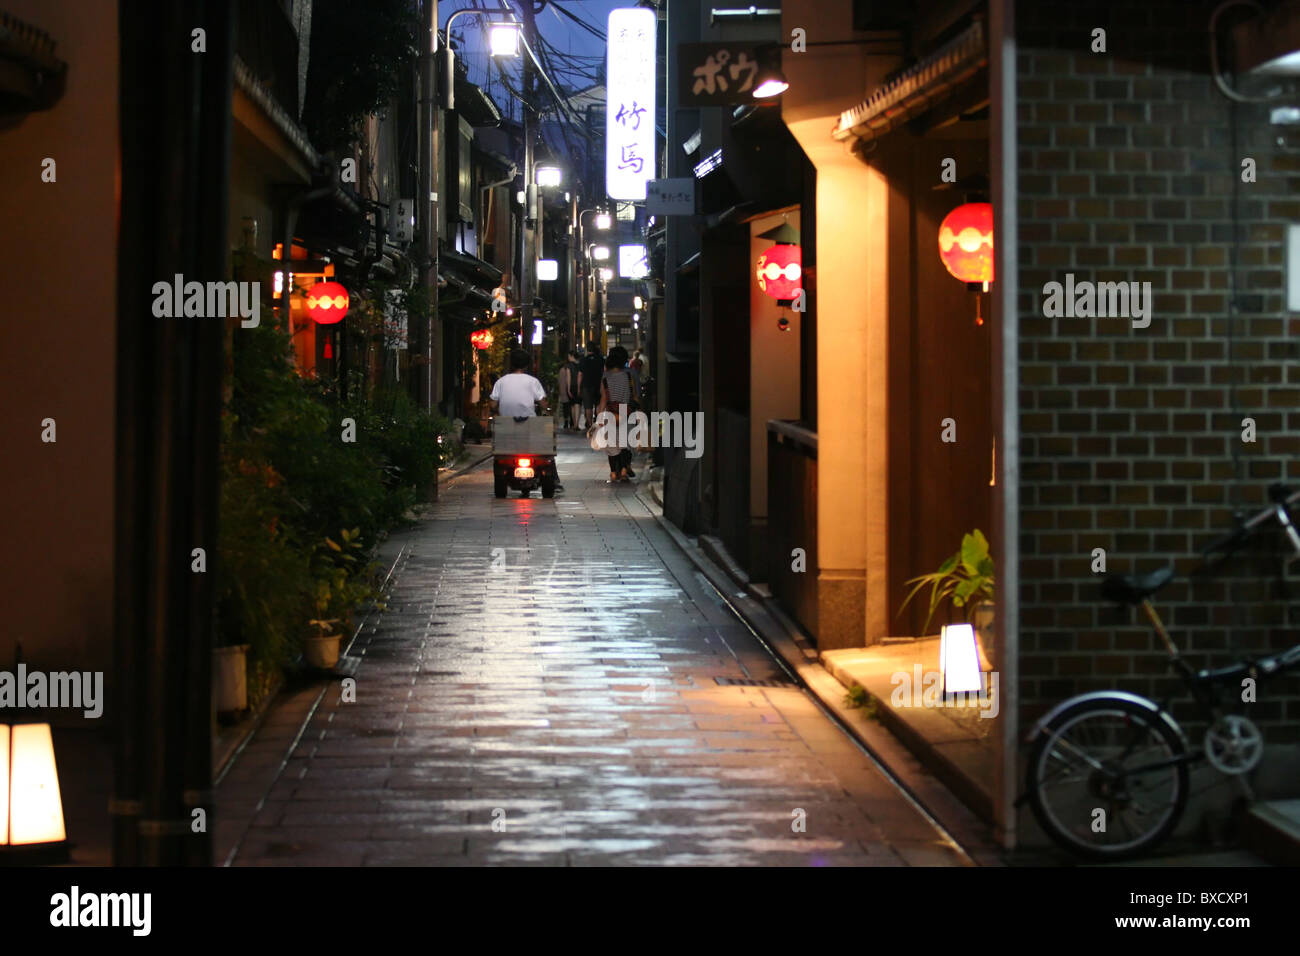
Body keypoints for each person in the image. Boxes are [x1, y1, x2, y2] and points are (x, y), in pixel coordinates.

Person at [490, 350, 563, 490]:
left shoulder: (501, 382)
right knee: (547, 454)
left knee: (499, 462)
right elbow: (543, 404)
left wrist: (497, 409)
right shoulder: (532, 381)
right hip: (530, 429)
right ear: (526, 365)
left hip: (506, 430)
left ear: (511, 364)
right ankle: (553, 480)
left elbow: (492, 404)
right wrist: (548, 409)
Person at [597, 351, 638, 482]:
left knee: (612, 446)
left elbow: (603, 398)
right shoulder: (628, 376)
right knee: (625, 444)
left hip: (611, 413)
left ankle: (614, 473)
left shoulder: (605, 378)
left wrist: (599, 417)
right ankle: (624, 471)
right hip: (627, 412)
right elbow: (635, 395)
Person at [578, 343, 604, 430]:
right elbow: (604, 372)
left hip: (586, 385)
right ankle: (597, 422)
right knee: (597, 404)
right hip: (597, 384)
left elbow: (580, 375)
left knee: (588, 406)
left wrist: (579, 387)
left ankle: (589, 424)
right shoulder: (600, 359)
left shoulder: (583, 360)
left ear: (587, 350)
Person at [558, 352, 579, 431]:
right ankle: (572, 422)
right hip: (571, 389)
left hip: (564, 390)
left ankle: (566, 421)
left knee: (566, 407)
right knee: (572, 406)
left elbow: (560, 381)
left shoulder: (562, 370)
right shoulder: (573, 368)